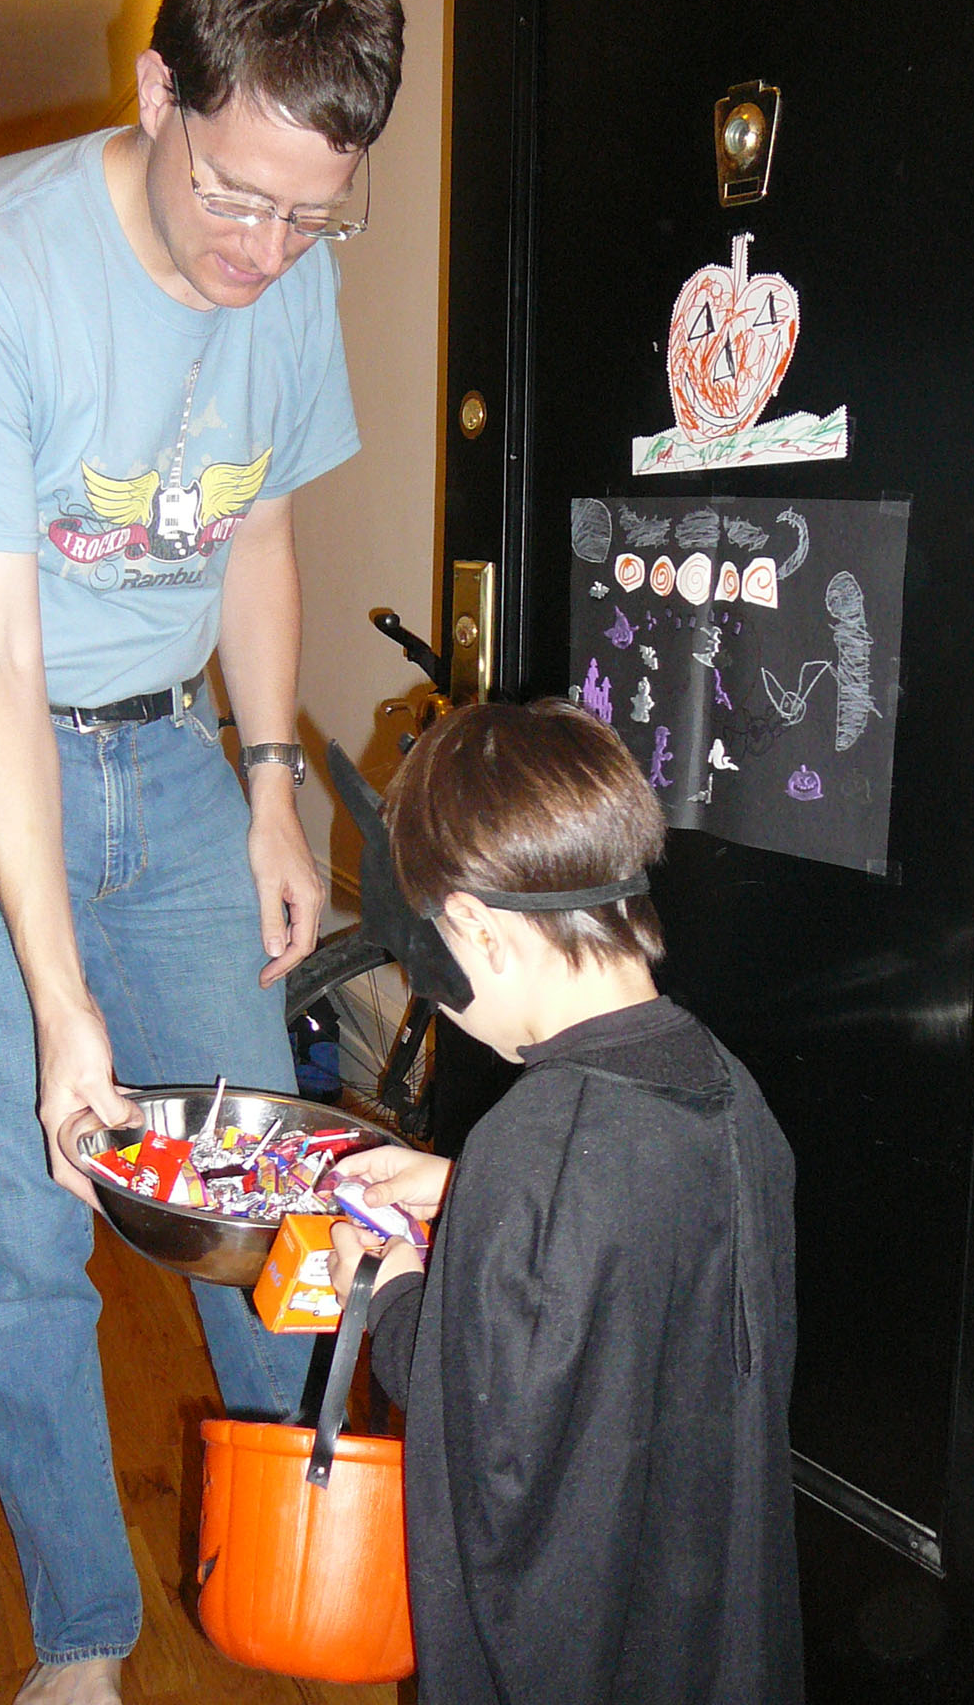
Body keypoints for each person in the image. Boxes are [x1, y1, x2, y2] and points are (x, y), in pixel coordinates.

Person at [0, 0, 403, 1700]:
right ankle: (83, 1638)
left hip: (172, 753)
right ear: (161, 90)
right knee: (27, 1224)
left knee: (262, 1188)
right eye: (237, 197)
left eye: (313, 215)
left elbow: (258, 533)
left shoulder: (291, 265)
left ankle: (298, 1559)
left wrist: (269, 788)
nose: (267, 251)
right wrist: (60, 997)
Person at [329, 699, 804, 1705]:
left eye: (431, 970)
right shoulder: (727, 1092)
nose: (437, 1002)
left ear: (476, 929)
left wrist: (390, 1286)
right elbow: (632, 1243)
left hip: (584, 1650)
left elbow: (487, 1434)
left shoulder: (536, 1148)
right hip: (700, 1610)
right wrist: (466, 1194)